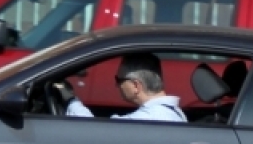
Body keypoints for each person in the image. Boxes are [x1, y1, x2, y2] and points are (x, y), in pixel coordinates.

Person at [55, 52, 186, 122]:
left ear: (136, 86)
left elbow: (96, 132)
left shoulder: (149, 118)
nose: (116, 85)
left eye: (119, 79)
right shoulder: (171, 112)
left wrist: (71, 100)